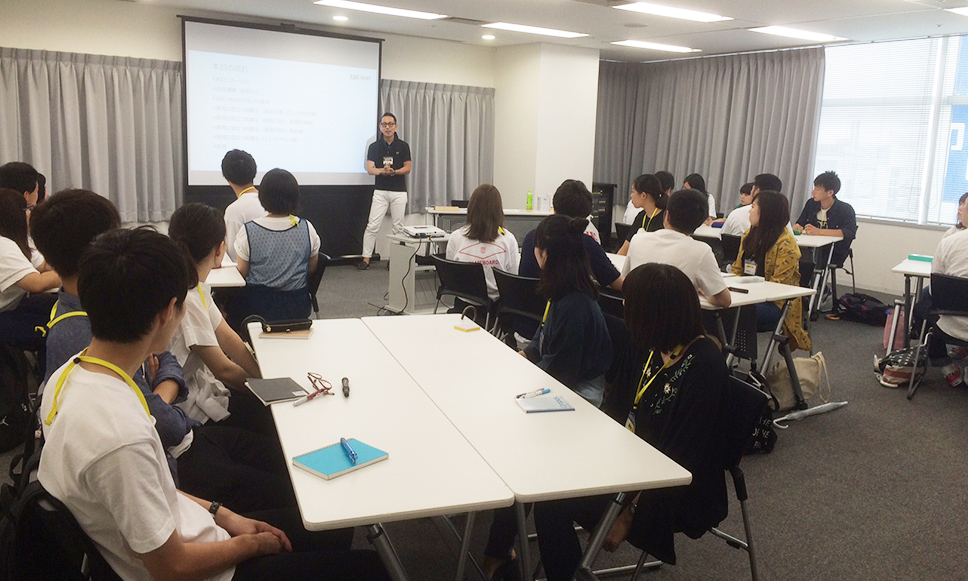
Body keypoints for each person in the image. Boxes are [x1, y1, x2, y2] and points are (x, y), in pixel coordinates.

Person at [37, 227, 389, 581]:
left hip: (194, 530)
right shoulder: (121, 437)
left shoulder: (68, 376)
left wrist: (224, 514)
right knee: (369, 566)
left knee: (331, 528)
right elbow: (173, 568)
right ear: (168, 312)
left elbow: (156, 492)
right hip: (205, 568)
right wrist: (250, 545)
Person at [31, 190, 299, 513]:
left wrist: (161, 389)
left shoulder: (107, 308)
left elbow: (162, 357)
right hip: (176, 448)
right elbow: (155, 419)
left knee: (282, 461)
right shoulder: (87, 328)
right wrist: (161, 396)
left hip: (181, 434)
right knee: (290, 490)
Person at [533, 263, 729, 581]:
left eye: (631, 303)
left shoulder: (704, 366)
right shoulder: (647, 344)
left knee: (551, 503)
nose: (624, 306)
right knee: (546, 482)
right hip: (628, 461)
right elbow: (616, 408)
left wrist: (629, 512)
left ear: (655, 313)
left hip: (669, 486)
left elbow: (683, 457)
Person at [482, 214, 612, 580]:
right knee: (513, 451)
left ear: (544, 255)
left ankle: (497, 551)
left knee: (518, 456)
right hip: (560, 384)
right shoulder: (563, 293)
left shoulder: (576, 305)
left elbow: (561, 377)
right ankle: (498, 550)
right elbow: (541, 343)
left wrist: (518, 380)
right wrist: (520, 359)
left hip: (577, 399)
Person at [168, 203, 267, 431]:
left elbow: (230, 340)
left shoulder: (195, 288)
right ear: (220, 250)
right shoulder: (187, 298)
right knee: (269, 428)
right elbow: (224, 370)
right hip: (189, 412)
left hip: (201, 393)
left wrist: (265, 376)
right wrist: (270, 387)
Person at [230, 168, 319, 327]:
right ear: (295, 197)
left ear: (262, 197)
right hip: (297, 307)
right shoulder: (307, 228)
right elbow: (311, 268)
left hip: (257, 308)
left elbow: (242, 273)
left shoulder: (248, 231)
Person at [622, 189, 731, 308]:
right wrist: (706, 293)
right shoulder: (701, 251)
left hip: (636, 317)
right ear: (700, 223)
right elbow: (724, 300)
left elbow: (626, 282)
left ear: (667, 215)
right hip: (677, 319)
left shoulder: (637, 240)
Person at [731, 191, 811, 350]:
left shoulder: (786, 244)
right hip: (746, 295)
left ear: (767, 212)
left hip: (774, 303)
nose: (749, 211)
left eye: (753, 207)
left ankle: (727, 355)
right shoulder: (749, 235)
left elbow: (776, 287)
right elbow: (737, 269)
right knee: (716, 308)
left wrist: (744, 295)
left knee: (729, 312)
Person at [521, 179, 623, 293]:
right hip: (565, 303)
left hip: (529, 302)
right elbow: (619, 284)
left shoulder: (532, 237)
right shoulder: (584, 243)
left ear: (554, 206)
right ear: (583, 218)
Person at [0, 188, 60, 352]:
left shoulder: (15, 242)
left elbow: (44, 265)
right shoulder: (3, 246)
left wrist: (68, 262)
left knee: (57, 306)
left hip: (11, 308)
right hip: (4, 315)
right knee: (54, 331)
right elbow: (36, 283)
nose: (30, 214)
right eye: (27, 209)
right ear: (14, 216)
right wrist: (70, 272)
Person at [445, 184, 519, 300]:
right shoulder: (508, 239)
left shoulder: (455, 237)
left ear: (471, 208)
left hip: (464, 303)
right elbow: (513, 278)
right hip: (497, 306)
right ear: (498, 210)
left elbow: (451, 275)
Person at [360, 112, 411, 270]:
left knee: (398, 227)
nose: (387, 127)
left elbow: (408, 168)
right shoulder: (374, 146)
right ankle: (366, 258)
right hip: (380, 191)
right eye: (384, 124)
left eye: (390, 124)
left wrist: (394, 172)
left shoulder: (403, 146)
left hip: (399, 192)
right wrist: (382, 171)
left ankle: (394, 259)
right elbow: (370, 169)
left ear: (396, 126)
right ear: (380, 127)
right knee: (372, 225)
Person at [793, 170, 857, 267]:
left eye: (817, 189)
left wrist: (819, 231)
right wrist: (798, 227)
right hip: (809, 248)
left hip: (833, 251)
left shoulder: (845, 209)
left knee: (808, 261)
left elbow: (849, 232)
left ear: (830, 192)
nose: (813, 192)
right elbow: (800, 222)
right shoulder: (811, 204)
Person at [222, 149, 266, 261]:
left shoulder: (234, 210)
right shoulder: (269, 203)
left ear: (227, 178)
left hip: (245, 270)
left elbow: (233, 254)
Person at [616, 174, 666, 257]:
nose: (631, 195)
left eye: (633, 192)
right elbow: (625, 247)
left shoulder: (665, 218)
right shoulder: (641, 216)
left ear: (643, 195)